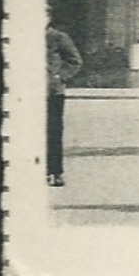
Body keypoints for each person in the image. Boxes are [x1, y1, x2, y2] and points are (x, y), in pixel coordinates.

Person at [46, 20, 82, 187]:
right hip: (28, 93)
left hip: (52, 92)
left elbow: (75, 61)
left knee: (53, 131)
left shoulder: (58, 37)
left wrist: (60, 77)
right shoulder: (23, 36)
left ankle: (55, 171)